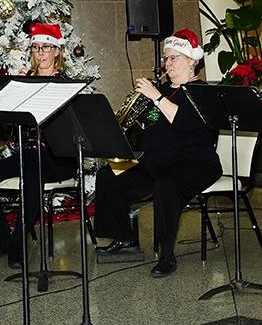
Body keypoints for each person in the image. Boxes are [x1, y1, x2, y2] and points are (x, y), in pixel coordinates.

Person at [92, 29, 221, 277]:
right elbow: (149, 125)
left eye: (174, 58)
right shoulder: (163, 89)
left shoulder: (202, 92)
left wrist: (156, 97)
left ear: (191, 61)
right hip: (156, 161)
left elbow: (184, 122)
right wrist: (134, 120)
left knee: (167, 186)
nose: (167, 63)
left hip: (195, 162)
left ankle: (166, 255)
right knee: (109, 175)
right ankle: (125, 239)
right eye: (166, 58)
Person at [0, 23, 77, 265]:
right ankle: (4, 236)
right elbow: (9, 125)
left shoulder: (66, 84)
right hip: (27, 156)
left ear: (57, 52)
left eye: (46, 48)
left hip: (57, 158)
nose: (40, 53)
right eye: (36, 48)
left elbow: (65, 128)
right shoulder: (24, 80)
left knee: (31, 172)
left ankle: (18, 242)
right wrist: (14, 92)